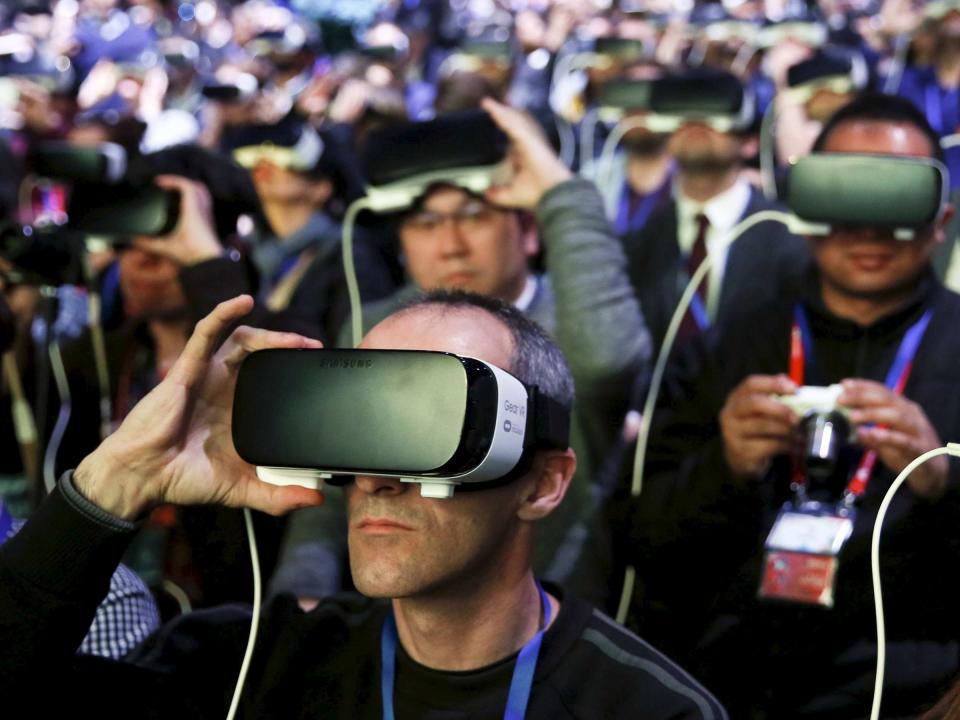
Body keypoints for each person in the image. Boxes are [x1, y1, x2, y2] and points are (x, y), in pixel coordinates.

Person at [0, 291, 726, 719]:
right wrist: (116, 482)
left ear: (540, 484)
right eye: (363, 425)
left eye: (428, 430)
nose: (379, 477)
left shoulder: (648, 708)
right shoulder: (253, 663)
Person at [613, 93, 960, 717]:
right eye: (842, 191)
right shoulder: (730, 348)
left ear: (942, 218)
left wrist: (945, 481)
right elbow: (643, 542)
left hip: (921, 691)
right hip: (736, 683)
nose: (868, 226)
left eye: (895, 197)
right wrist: (726, 466)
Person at [274, 97, 650, 607]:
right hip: (400, 617)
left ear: (529, 230)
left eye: (474, 216)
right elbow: (333, 481)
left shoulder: (576, 323)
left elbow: (608, 358)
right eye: (425, 223)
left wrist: (560, 192)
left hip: (549, 613)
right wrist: (303, 586)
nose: (450, 244)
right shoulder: (376, 324)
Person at [622, 68, 809, 354]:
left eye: (715, 113)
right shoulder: (635, 246)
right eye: (680, 115)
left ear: (750, 142)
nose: (696, 123)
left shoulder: (790, 239)